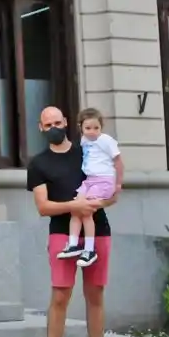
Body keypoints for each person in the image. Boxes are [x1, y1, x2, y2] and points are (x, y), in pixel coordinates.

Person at [28, 105, 118, 337]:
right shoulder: (39, 163)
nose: (54, 127)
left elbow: (113, 188)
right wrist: (74, 205)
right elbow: (43, 207)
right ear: (41, 129)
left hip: (98, 229)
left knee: (95, 294)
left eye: (58, 121)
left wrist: (95, 204)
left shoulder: (88, 150)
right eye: (48, 124)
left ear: (67, 122)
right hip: (62, 234)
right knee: (60, 295)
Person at [56, 107, 123, 268]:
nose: (92, 132)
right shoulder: (84, 140)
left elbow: (118, 162)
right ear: (81, 127)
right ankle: (73, 244)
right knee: (75, 207)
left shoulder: (106, 141)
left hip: (104, 180)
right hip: (90, 181)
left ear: (101, 127)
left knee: (86, 212)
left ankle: (89, 249)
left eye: (96, 128)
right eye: (88, 128)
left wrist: (118, 183)